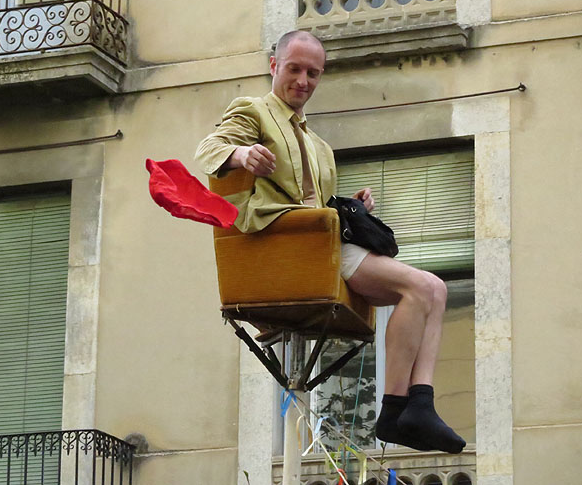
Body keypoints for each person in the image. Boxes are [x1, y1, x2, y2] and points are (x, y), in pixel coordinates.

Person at [194, 30, 466, 454]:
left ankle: (418, 403)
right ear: (273, 65)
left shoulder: (319, 146)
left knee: (435, 289)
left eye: (313, 73)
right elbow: (209, 147)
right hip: (294, 247)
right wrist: (242, 155)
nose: (303, 81)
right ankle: (398, 409)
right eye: (294, 69)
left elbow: (313, 202)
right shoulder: (253, 110)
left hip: (320, 242)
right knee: (420, 287)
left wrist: (353, 206)